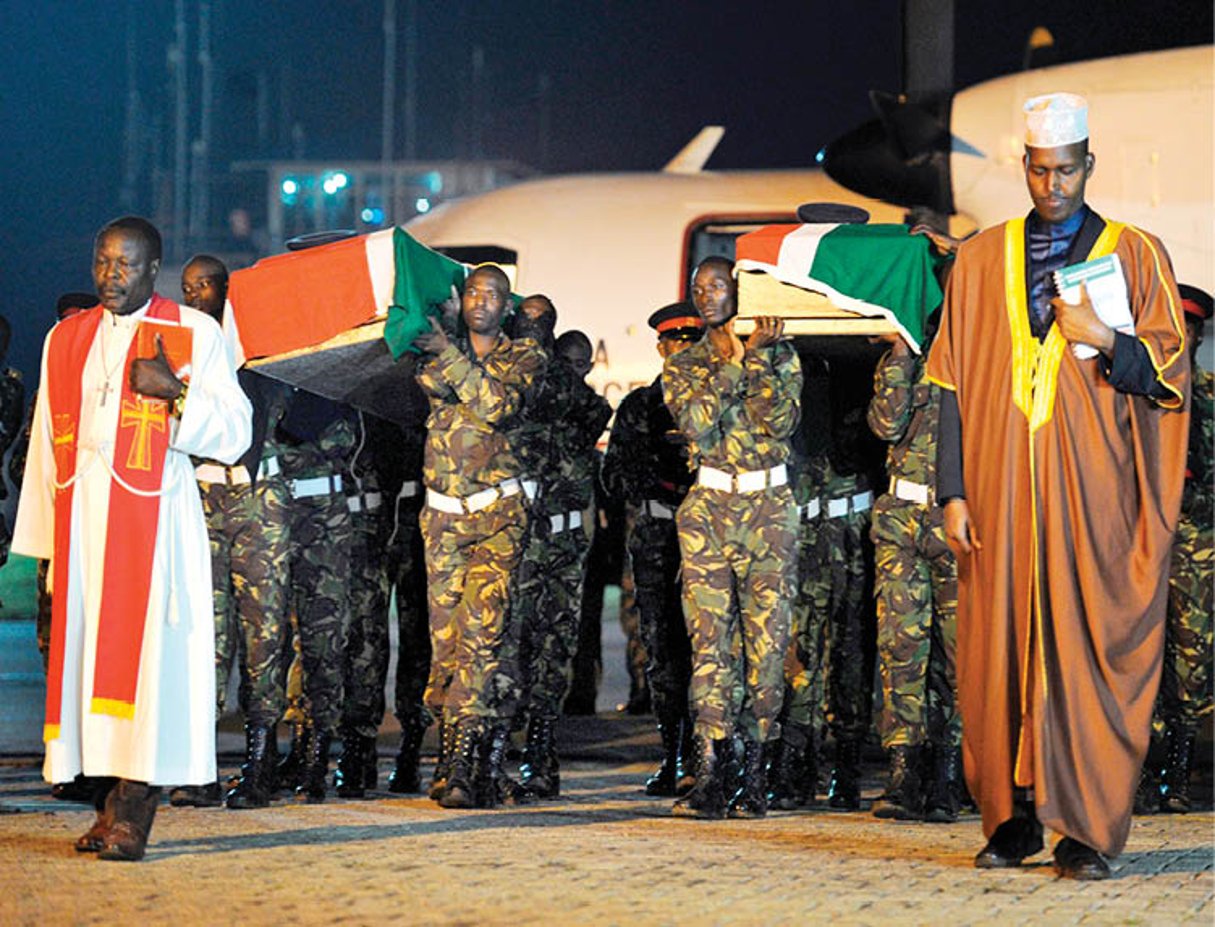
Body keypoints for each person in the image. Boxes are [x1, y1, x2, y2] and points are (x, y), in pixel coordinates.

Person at [926, 94, 1190, 879]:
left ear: (1088, 166)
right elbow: (948, 381)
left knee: (1086, 654)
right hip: (1001, 495)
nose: (1053, 186)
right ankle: (1012, 822)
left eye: (1066, 171)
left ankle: (1085, 829)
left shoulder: (1135, 255)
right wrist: (952, 489)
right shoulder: (978, 260)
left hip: (1093, 495)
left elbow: (1169, 374)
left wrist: (1105, 338)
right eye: (1040, 172)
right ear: (1025, 170)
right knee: (998, 650)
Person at [13, 216, 251, 861]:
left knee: (144, 671)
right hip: (83, 528)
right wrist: (45, 539)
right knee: (85, 670)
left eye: (125, 265)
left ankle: (134, 816)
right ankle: (103, 809)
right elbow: (44, 444)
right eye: (102, 263)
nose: (110, 276)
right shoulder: (67, 336)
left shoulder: (193, 332)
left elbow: (235, 434)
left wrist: (175, 393)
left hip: (153, 533)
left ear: (153, 270)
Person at [662, 256, 802, 819]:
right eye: (699, 288)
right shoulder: (684, 362)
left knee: (767, 648)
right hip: (710, 509)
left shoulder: (781, 354)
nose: (707, 295)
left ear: (737, 292)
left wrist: (760, 360)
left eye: (718, 285)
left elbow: (780, 423)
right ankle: (712, 773)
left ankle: (755, 774)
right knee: (709, 646)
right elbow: (695, 423)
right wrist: (730, 368)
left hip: (769, 509)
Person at [414, 264, 545, 809]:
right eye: (473, 291)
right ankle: (453, 763)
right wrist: (445, 348)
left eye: (493, 295)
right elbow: (436, 382)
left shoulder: (525, 358)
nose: (481, 301)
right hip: (442, 518)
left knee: (482, 638)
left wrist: (449, 350)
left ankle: (468, 768)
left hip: (496, 519)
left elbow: (495, 405)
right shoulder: (436, 356)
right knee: (446, 645)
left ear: (506, 307)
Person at [170, 255, 292, 811]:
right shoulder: (182, 350)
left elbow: (260, 425)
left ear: (227, 290)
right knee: (206, 639)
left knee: (263, 636)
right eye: (188, 287)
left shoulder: (257, 352)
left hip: (256, 498)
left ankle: (259, 765)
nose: (197, 294)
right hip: (201, 496)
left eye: (207, 286)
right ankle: (201, 770)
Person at [603, 301, 702, 797]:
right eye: (674, 344)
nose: (681, 352)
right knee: (664, 651)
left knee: (714, 650)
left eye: (691, 343)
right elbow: (614, 476)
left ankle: (709, 754)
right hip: (659, 538)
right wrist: (658, 472)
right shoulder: (640, 406)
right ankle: (673, 754)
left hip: (712, 536)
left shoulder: (721, 398)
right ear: (661, 349)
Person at [867, 314, 962, 823]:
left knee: (957, 651)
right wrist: (899, 360)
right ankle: (903, 770)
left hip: (959, 522)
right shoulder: (904, 366)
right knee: (901, 648)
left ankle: (948, 773)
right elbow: (885, 425)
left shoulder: (981, 365)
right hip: (903, 521)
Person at [512, 323, 612, 799]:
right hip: (527, 542)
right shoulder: (532, 398)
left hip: (566, 547)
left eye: (581, 365)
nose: (573, 373)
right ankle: (504, 748)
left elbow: (580, 408)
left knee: (555, 649)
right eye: (565, 363)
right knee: (516, 644)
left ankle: (541, 753)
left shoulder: (591, 406)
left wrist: (562, 380)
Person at [1141, 284, 1212, 814]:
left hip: (1197, 548)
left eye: (1190, 332)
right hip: (1142, 541)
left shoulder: (1209, 396)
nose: (1181, 339)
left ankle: (1178, 772)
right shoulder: (1136, 389)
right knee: (1141, 654)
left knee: (1191, 661)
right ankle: (1144, 770)